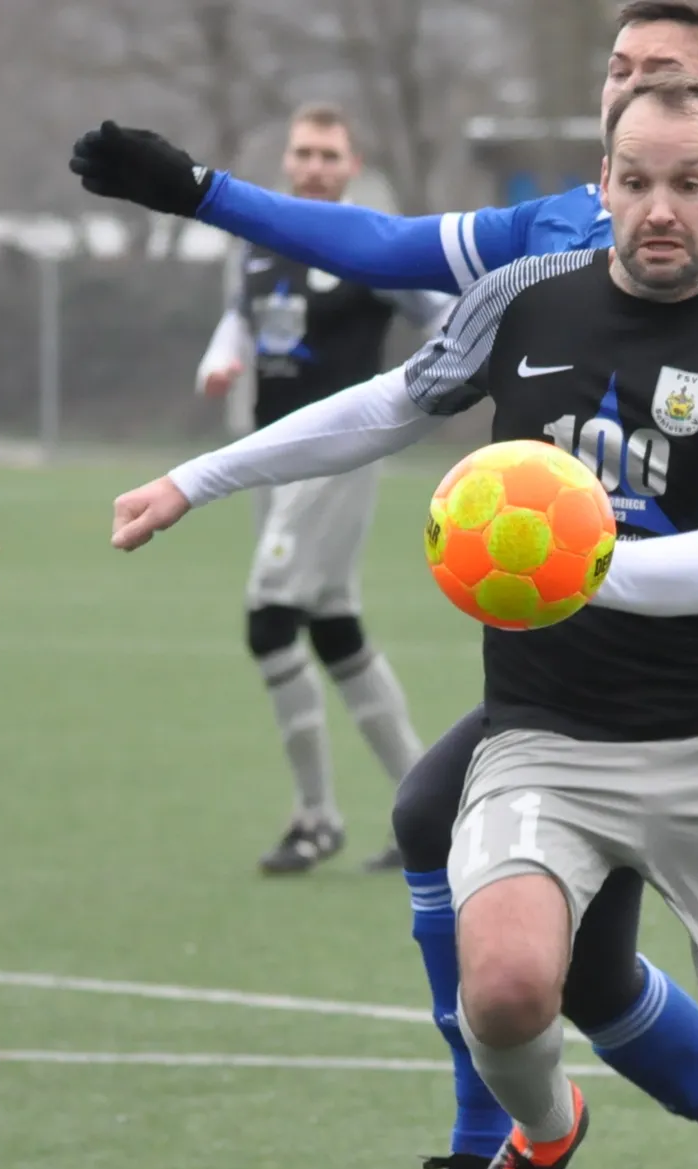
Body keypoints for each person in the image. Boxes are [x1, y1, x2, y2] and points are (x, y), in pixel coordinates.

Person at [71, 2, 698, 1169]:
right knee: (512, 983)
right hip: (549, 732)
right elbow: (388, 383)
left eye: (689, 177)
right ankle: (528, 1136)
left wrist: (563, 562)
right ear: (601, 171)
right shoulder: (529, 285)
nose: (658, 207)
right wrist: (196, 473)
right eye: (632, 171)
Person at [195, 102, 450, 874]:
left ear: (351, 166)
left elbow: (446, 318)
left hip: (334, 454)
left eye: (328, 155)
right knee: (334, 630)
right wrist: (221, 358)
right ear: (289, 161)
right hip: (269, 456)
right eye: (303, 152)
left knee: (269, 621)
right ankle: (426, 813)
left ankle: (316, 818)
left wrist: (421, 391)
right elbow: (243, 318)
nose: (313, 165)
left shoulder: (372, 247)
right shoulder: (263, 241)